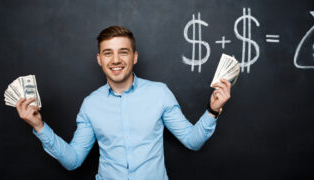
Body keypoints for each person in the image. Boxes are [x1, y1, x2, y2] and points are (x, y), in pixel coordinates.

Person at [16, 26, 231, 180]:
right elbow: (73, 160)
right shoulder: (90, 105)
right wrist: (39, 126)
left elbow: (192, 141)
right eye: (108, 53)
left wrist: (213, 110)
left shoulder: (159, 93)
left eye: (123, 52)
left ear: (134, 57)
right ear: (99, 59)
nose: (116, 60)